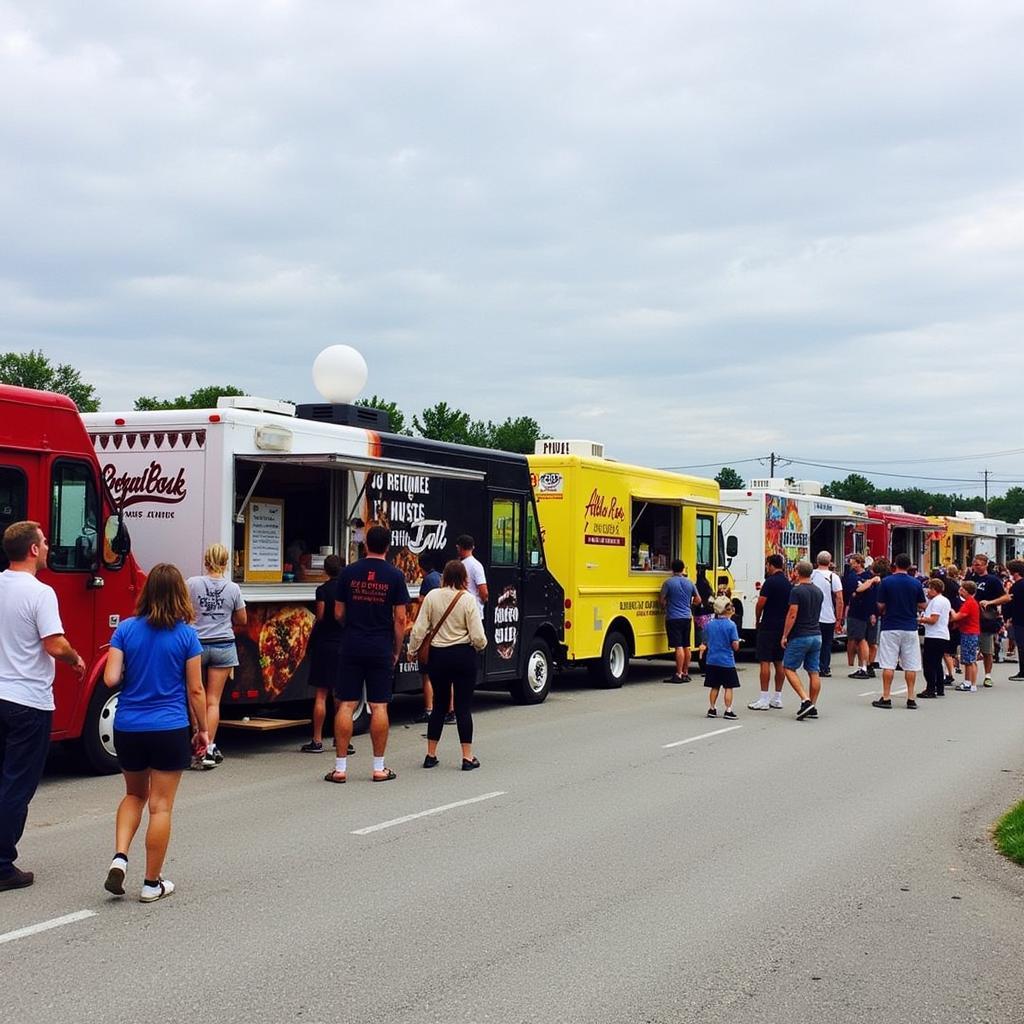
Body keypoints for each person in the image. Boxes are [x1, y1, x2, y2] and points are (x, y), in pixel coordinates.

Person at [103, 563, 207, 903]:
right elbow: (195, 691)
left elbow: (110, 678)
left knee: (134, 795)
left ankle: (120, 855)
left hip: (128, 726)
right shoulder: (186, 635)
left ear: (146, 593)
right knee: (160, 807)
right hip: (169, 727)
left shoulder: (126, 630)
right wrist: (203, 730)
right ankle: (151, 883)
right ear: (180, 595)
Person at [0, 522, 86, 892]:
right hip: (28, 699)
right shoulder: (40, 592)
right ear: (33, 550)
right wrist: (76, 659)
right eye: (45, 543)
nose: (49, 548)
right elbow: (54, 643)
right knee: (17, 783)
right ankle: (3, 864)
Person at [325, 526, 410, 784]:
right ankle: (378, 767)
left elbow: (338, 613)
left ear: (365, 546)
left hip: (351, 643)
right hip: (380, 645)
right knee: (378, 705)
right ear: (387, 547)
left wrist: (352, 626)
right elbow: (400, 619)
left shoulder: (348, 573)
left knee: (347, 704)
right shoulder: (395, 576)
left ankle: (340, 768)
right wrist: (396, 649)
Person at [408, 559, 487, 770]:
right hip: (463, 656)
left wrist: (412, 650)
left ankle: (430, 754)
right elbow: (478, 636)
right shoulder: (468, 600)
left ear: (444, 577)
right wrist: (480, 645)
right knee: (462, 707)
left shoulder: (432, 596)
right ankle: (467, 757)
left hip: (438, 657)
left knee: (439, 706)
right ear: (464, 578)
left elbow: (419, 629)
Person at [186, 544, 246, 768]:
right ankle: (209, 746)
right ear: (227, 562)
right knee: (213, 700)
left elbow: (183, 610)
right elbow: (242, 619)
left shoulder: (192, 583)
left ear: (206, 560)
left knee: (195, 695)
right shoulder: (233, 588)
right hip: (223, 645)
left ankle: (198, 745)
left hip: (195, 646)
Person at [301, 554, 346, 753]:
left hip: (324, 644)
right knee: (340, 695)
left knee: (321, 694)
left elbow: (319, 617)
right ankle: (341, 738)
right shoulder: (346, 590)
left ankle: (317, 740)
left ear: (325, 570)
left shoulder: (322, 590)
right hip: (342, 644)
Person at [871, 554, 927, 710]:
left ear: (894, 565)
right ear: (909, 566)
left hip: (890, 625)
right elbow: (923, 605)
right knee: (911, 664)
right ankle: (910, 697)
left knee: (888, 663)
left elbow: (880, 605)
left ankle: (887, 696)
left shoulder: (886, 582)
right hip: (910, 626)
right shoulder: (915, 583)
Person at [780, 560, 823, 721]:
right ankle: (813, 704)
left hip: (800, 634)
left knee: (789, 667)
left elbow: (792, 614)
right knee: (813, 671)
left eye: (795, 570)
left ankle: (805, 700)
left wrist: (785, 635)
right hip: (816, 634)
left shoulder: (796, 591)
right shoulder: (818, 591)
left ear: (798, 572)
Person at [748, 554, 790, 710]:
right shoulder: (787, 583)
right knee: (779, 661)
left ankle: (764, 698)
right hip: (782, 626)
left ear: (771, 565)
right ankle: (777, 697)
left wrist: (757, 618)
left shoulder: (769, 582)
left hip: (768, 625)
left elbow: (761, 603)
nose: (766, 568)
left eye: (767, 565)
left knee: (765, 661)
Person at [414, 553, 449, 725]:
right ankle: (449, 710)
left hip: (430, 632)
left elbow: (421, 605)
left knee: (427, 674)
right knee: (446, 676)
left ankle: (429, 709)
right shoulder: (441, 577)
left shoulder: (427, 581)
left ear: (421, 567)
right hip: (444, 631)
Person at [979, 559, 1024, 681]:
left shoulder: (1016, 587)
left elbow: (1008, 601)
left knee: (1021, 646)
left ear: (1015, 573)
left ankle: (1023, 672)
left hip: (1020, 619)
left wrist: (1006, 616)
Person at [964, 554, 1004, 687]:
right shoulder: (970, 578)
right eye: (974, 564)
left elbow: (1006, 597)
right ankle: (968, 677)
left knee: (987, 650)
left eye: (978, 565)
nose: (975, 567)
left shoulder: (993, 580)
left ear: (986, 565)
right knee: (968, 649)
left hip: (985, 619)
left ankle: (988, 675)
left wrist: (990, 602)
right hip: (970, 618)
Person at [659, 560, 699, 683]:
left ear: (672, 569)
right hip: (687, 617)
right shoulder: (689, 583)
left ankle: (679, 673)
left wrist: (666, 606)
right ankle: (686, 672)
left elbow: (662, 600)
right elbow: (698, 599)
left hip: (674, 617)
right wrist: (689, 605)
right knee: (687, 645)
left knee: (678, 646)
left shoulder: (668, 583)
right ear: (683, 569)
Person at [700, 596, 740, 719]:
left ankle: (712, 708)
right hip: (726, 661)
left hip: (712, 660)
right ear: (727, 610)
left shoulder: (709, 624)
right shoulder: (731, 625)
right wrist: (737, 642)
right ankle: (728, 710)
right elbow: (735, 645)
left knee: (714, 686)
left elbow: (705, 641)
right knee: (728, 687)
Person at [810, 552, 844, 678]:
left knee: (814, 642)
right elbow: (839, 598)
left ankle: (813, 665)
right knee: (826, 643)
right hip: (828, 616)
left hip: (812, 616)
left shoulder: (811, 575)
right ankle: (824, 667)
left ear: (817, 561)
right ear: (830, 562)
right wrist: (839, 619)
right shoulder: (833, 577)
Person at [917, 578, 951, 698]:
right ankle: (939, 687)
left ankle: (930, 688)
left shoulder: (937, 601)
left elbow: (933, 619)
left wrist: (920, 620)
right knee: (937, 662)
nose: (927, 592)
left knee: (929, 663)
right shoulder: (945, 600)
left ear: (934, 589)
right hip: (942, 635)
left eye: (929, 589)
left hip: (934, 635)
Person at [846, 554, 879, 680]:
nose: (851, 565)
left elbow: (872, 594)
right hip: (857, 610)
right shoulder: (852, 577)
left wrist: (874, 613)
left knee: (864, 640)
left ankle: (865, 667)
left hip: (865, 612)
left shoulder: (868, 575)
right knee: (859, 639)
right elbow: (858, 589)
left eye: (853, 562)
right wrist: (871, 581)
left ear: (860, 563)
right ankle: (863, 666)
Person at [951, 581, 981, 692]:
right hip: (970, 632)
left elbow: (958, 616)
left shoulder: (969, 603)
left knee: (969, 660)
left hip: (969, 633)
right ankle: (968, 681)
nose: (960, 591)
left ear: (966, 591)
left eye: (962, 589)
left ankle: (972, 684)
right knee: (969, 659)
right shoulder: (971, 602)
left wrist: (951, 611)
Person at [457, 534, 489, 619]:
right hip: (474, 609)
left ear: (459, 547)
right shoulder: (476, 565)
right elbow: (484, 591)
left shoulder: (457, 565)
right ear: (473, 547)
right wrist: (482, 600)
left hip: (459, 608)